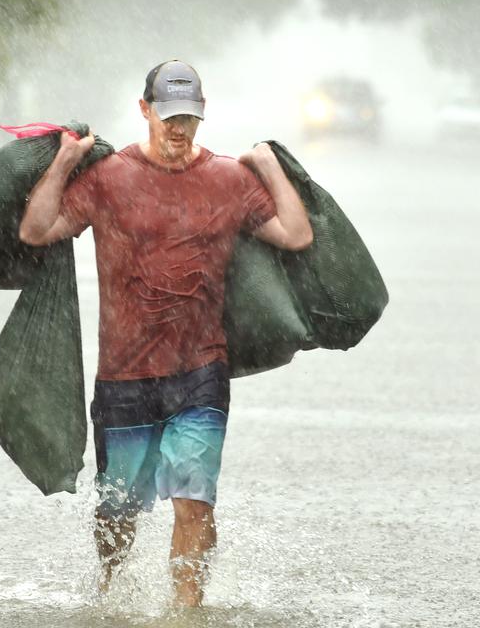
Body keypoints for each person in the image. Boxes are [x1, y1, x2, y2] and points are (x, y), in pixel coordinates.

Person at [18, 60, 313, 607]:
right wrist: (63, 163)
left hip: (201, 371)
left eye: (190, 118)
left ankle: (186, 612)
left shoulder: (229, 180)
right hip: (124, 375)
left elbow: (295, 234)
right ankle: (109, 597)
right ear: (145, 110)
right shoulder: (109, 178)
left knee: (194, 503)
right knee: (118, 517)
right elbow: (37, 230)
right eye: (169, 117)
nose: (179, 130)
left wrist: (268, 166)